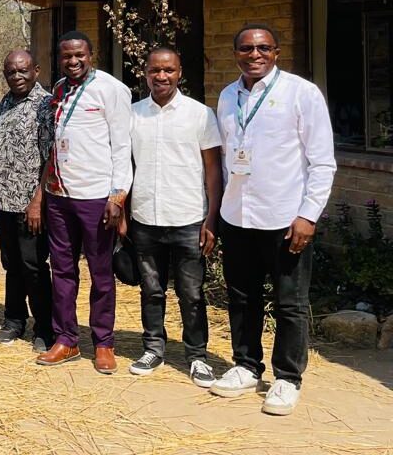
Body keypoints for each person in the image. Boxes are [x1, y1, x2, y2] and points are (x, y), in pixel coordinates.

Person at [209, 24, 335, 416]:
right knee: (242, 298)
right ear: (236, 54)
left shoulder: (301, 93)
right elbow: (231, 159)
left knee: (289, 303)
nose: (254, 54)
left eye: (263, 47)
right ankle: (246, 366)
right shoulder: (228, 97)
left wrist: (308, 215)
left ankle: (287, 378)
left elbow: (323, 162)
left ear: (277, 52)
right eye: (246, 48)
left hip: (285, 219)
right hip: (237, 216)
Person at [35, 31, 132, 374]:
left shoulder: (111, 89)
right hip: (60, 195)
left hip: (96, 196)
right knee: (62, 270)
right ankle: (67, 339)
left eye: (79, 55)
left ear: (92, 56)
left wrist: (117, 196)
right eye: (66, 56)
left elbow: (122, 147)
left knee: (101, 273)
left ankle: (103, 343)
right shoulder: (59, 89)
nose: (73, 61)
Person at [127, 47, 222, 387]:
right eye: (155, 70)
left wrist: (212, 219)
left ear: (180, 72)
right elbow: (125, 166)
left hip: (188, 219)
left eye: (168, 70)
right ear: (146, 73)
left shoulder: (200, 115)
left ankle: (197, 356)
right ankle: (153, 347)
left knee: (192, 294)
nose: (161, 76)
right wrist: (123, 213)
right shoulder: (134, 114)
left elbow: (213, 170)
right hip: (145, 218)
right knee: (151, 290)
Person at [0, 49, 55, 351]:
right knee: (11, 263)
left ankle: (44, 327)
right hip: (3, 200)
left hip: (31, 205)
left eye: (22, 70)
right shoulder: (5, 102)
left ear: (36, 70)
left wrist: (38, 201)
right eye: (11, 72)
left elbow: (51, 158)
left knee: (33, 265)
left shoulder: (46, 105)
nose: (17, 76)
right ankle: (14, 320)